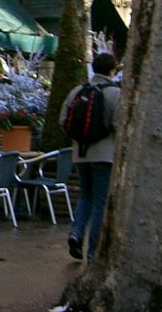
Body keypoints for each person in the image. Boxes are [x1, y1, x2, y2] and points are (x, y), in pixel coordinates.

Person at [58, 51, 122, 261]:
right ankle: (94, 251)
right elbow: (118, 125)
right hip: (104, 156)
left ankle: (76, 233)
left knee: (85, 197)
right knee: (100, 203)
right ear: (112, 70)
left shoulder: (77, 91)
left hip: (80, 155)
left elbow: (63, 121)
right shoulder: (115, 93)